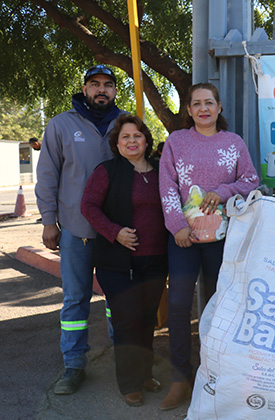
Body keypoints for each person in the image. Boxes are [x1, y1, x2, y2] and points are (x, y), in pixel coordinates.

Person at [158, 82, 259, 410]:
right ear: (188, 110)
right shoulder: (176, 142)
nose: (203, 109)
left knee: (223, 309)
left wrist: (225, 190)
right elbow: (167, 187)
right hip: (184, 240)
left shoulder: (233, 143)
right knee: (178, 306)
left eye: (209, 103)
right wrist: (178, 227)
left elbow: (250, 180)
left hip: (223, 242)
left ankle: (218, 375)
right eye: (197, 104)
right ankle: (180, 379)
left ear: (218, 108)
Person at [36, 64, 125, 395]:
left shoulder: (125, 123)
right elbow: (47, 174)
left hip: (117, 232)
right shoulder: (62, 124)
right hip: (76, 229)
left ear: (115, 90)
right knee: (75, 300)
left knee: (119, 297)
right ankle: (73, 365)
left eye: (108, 85)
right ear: (84, 89)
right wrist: (48, 220)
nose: (101, 90)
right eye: (94, 84)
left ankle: (125, 364)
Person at [80, 114, 168, 407]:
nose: (132, 141)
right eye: (125, 137)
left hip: (156, 260)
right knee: (127, 322)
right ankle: (129, 384)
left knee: (146, 322)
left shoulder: (159, 169)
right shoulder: (107, 171)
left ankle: (144, 375)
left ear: (146, 140)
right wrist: (115, 232)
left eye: (137, 136)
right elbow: (88, 206)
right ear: (117, 145)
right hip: (118, 264)